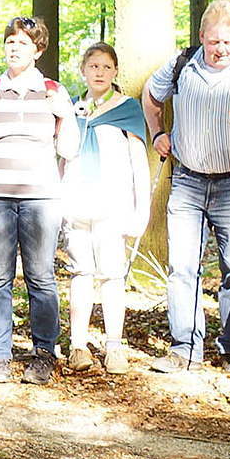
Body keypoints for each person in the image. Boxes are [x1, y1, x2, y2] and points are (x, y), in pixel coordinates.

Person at [142, 0, 230, 371]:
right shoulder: (182, 63)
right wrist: (157, 132)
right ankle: (185, 348)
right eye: (214, 41)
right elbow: (151, 95)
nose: (220, 49)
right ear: (202, 36)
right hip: (187, 180)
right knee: (182, 266)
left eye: (228, 41)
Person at [0, 16, 74, 384]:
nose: (15, 48)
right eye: (10, 42)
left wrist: (64, 113)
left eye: (23, 43)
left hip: (41, 198)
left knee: (41, 276)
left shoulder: (53, 90)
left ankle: (44, 352)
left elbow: (70, 148)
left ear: (38, 50)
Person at [61, 43, 149, 374]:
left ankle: (114, 347)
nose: (99, 72)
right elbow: (64, 157)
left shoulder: (128, 109)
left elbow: (139, 162)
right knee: (81, 272)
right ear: (83, 70)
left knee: (112, 274)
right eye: (93, 66)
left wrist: (141, 210)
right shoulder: (72, 108)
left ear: (115, 72)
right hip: (78, 200)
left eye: (106, 67)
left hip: (113, 202)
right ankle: (78, 346)